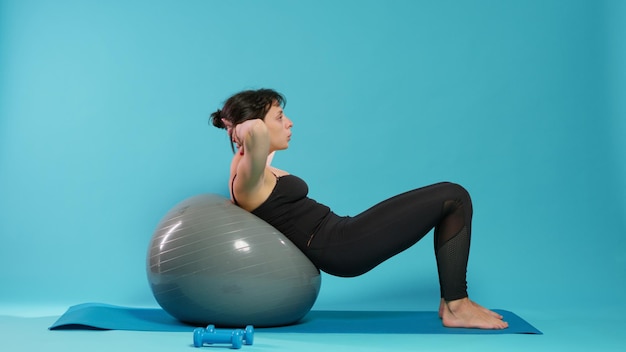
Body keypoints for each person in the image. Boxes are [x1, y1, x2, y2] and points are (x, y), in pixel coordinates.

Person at [211, 88, 508, 329]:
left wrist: (238, 124)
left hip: (342, 234)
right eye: (279, 116)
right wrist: (240, 124)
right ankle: (457, 304)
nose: (289, 123)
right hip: (340, 246)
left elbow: (259, 140)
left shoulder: (252, 166)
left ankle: (452, 301)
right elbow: (256, 134)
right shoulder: (247, 178)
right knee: (453, 196)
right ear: (256, 125)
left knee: (451, 197)